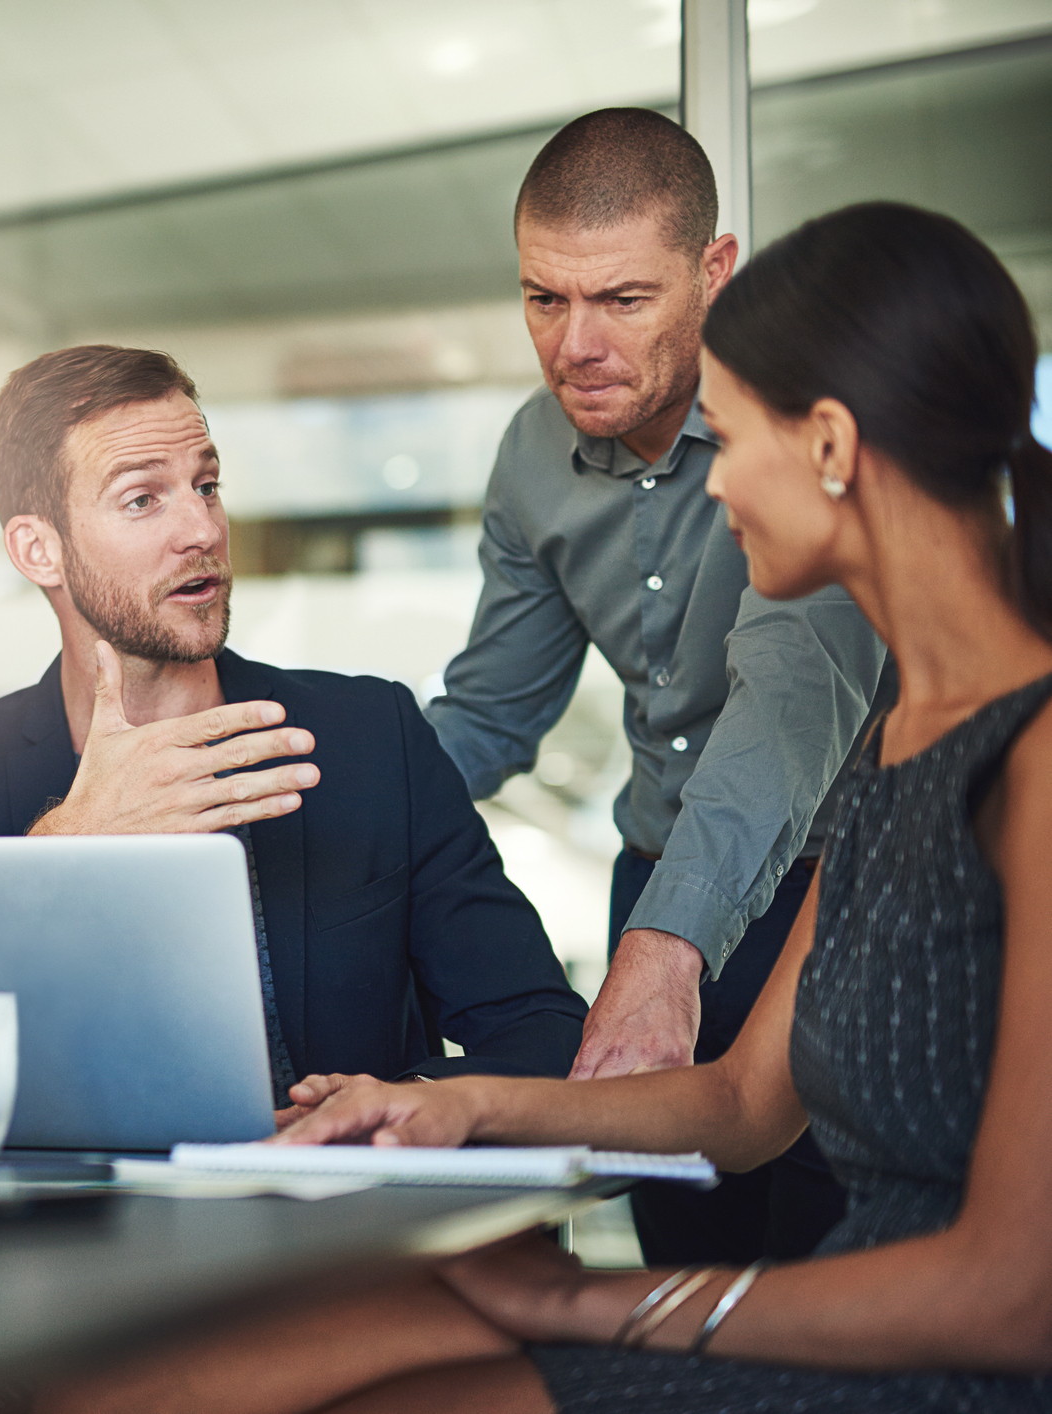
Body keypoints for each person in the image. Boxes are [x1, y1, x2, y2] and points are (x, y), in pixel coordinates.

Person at [40, 201, 1052, 1414]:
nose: (711, 483)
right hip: (821, 1321)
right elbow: (737, 1106)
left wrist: (591, 1304)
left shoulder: (1031, 762)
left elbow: (1011, 1299)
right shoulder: (898, 755)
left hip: (925, 1375)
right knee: (149, 1377)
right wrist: (447, 1102)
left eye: (727, 441)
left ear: (829, 445)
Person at [421, 109, 887, 1264]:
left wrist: (660, 950)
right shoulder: (533, 455)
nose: (575, 343)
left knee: (821, 1278)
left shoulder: (800, 427)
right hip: (655, 882)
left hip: (833, 894)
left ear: (711, 272)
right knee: (682, 1276)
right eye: (543, 298)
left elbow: (788, 698)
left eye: (623, 300)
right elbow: (490, 710)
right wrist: (297, 792)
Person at [0, 345, 585, 1092]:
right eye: (141, 499)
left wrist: (400, 1110)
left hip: (329, 1205)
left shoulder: (371, 739)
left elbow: (538, 1030)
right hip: (70, 1207)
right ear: (38, 549)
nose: (203, 530)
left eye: (206, 486)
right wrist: (64, 848)